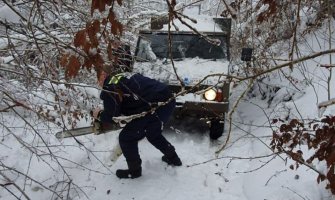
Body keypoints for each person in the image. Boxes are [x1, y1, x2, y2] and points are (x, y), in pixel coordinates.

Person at [93, 44, 182, 179]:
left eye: (98, 77)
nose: (98, 81)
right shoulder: (122, 76)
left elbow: (112, 117)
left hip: (155, 106)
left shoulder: (110, 86)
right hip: (167, 100)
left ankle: (134, 171)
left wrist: (99, 114)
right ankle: (173, 158)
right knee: (153, 132)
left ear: (103, 75)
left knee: (126, 137)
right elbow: (131, 101)